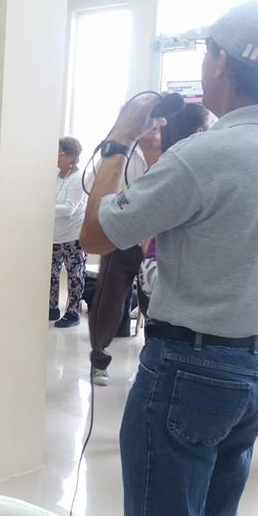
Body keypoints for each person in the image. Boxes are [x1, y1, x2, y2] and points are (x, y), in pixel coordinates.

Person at [79, 1, 258, 516]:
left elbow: (96, 235)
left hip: (191, 371)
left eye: (206, 53)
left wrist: (121, 138)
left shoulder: (205, 154)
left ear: (221, 62)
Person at [86, 126, 161, 385]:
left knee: (155, 309)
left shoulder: (175, 151)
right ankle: (99, 362)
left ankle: (153, 366)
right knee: (108, 303)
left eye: (160, 123)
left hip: (155, 243)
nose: (155, 129)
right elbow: (91, 185)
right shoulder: (124, 149)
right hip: (120, 239)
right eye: (151, 123)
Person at [138, 104, 216, 316]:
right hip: (164, 271)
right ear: (200, 131)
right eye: (212, 125)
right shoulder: (181, 170)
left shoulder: (169, 165)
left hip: (156, 266)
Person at [50, 137, 86, 328]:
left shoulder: (78, 178)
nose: (55, 156)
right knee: (51, 275)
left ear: (71, 155)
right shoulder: (56, 175)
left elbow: (69, 208)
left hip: (74, 236)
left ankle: (72, 314)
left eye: (59, 153)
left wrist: (45, 206)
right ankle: (52, 308)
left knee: (74, 276)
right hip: (55, 235)